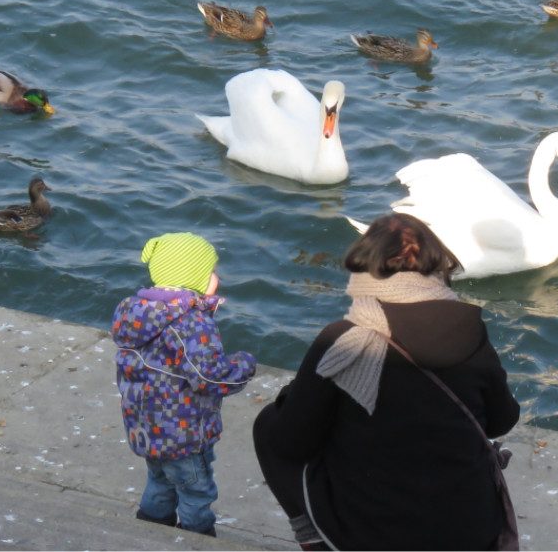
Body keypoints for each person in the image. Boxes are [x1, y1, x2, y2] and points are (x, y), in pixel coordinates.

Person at [253, 213, 520, 550]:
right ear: (436, 264)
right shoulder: (469, 328)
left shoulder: (345, 340)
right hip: (469, 530)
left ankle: (317, 540)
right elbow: (502, 419)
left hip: (375, 536)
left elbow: (290, 442)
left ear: (366, 265)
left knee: (268, 427)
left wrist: (299, 397)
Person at [111, 231, 257, 536]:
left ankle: (152, 530)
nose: (216, 276)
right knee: (196, 491)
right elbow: (207, 376)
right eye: (211, 271)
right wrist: (243, 365)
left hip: (147, 428)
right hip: (183, 433)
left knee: (160, 481)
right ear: (194, 278)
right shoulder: (192, 322)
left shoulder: (135, 314)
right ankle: (198, 538)